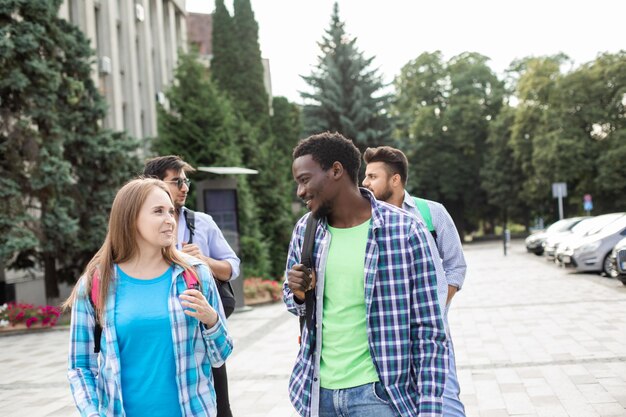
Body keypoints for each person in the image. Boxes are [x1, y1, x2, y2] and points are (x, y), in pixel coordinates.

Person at [284, 132, 448, 417]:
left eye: (304, 179)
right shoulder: (306, 230)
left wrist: (430, 410)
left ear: (336, 170)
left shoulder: (405, 230)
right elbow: (294, 302)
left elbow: (430, 330)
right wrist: (297, 292)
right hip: (318, 395)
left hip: (382, 397)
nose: (300, 191)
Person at [65, 178, 232, 417]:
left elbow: (220, 356)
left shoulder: (196, 274)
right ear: (131, 219)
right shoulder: (95, 284)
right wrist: (92, 413)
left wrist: (212, 320)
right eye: (158, 211)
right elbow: (80, 366)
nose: (170, 220)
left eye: (171, 211)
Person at [362, 145, 468, 417]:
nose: (365, 182)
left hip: (430, 334)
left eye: (373, 176)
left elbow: (455, 266)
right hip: (386, 338)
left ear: (395, 180)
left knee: (445, 403)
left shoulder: (431, 213)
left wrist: (434, 308)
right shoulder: (364, 221)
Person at [143, 155, 240, 417]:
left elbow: (233, 267)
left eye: (185, 181)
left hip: (204, 335)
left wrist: (204, 261)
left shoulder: (202, 223)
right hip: (163, 336)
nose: (185, 188)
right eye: (177, 182)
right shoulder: (139, 231)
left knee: (220, 409)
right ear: (154, 185)